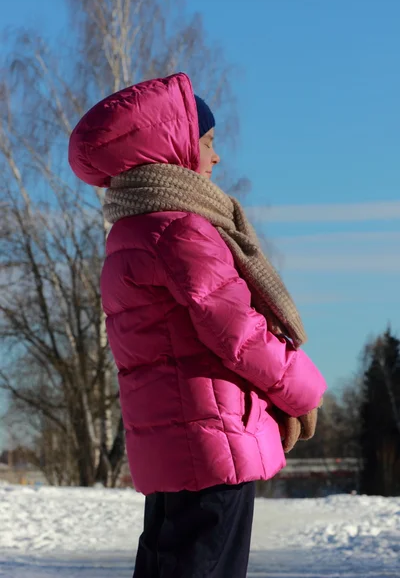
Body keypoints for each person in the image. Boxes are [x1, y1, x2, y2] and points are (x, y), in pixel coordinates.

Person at [68, 72, 327, 578]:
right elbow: (239, 332)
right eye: (207, 141)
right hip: (212, 446)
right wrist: (304, 391)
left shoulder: (132, 229)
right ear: (172, 147)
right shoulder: (179, 230)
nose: (215, 157)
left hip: (176, 448)